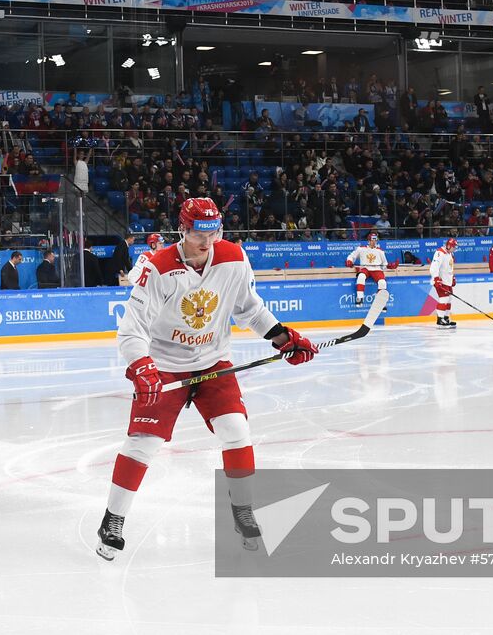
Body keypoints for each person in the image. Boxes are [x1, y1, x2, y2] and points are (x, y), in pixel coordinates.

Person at [96, 197, 317, 561]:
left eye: (212, 232)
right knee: (143, 443)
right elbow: (131, 330)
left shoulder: (233, 258)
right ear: (181, 230)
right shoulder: (158, 268)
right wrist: (142, 366)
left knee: (236, 429)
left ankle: (242, 511)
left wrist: (283, 338)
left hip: (214, 362)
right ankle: (112, 519)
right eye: (198, 233)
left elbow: (250, 308)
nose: (206, 241)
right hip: (166, 364)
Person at [344, 231, 398, 307]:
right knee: (361, 277)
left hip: (377, 269)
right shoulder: (361, 249)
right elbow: (352, 256)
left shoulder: (380, 251)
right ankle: (360, 298)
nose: (374, 241)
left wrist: (390, 266)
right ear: (368, 240)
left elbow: (384, 265)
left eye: (375, 240)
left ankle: (380, 302)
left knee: (382, 282)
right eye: (372, 240)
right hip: (365, 268)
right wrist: (349, 261)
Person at [428, 237, 457, 329]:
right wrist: (436, 278)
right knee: (444, 299)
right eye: (454, 247)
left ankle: (446, 318)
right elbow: (434, 267)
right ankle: (440, 320)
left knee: (449, 299)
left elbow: (450, 268)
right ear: (449, 246)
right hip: (441, 281)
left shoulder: (450, 254)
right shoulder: (440, 253)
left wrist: (452, 278)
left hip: (447, 281)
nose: (455, 248)